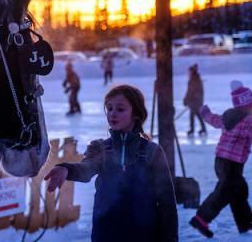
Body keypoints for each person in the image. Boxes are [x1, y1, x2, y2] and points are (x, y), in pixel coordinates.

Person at [45, 84, 178, 242]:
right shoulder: (100, 148)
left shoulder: (152, 152)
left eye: (120, 109)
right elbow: (86, 168)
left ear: (136, 113)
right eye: (109, 108)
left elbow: (167, 203)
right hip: (106, 234)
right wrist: (66, 169)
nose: (112, 114)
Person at [189, 80, 252, 238]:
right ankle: (201, 218)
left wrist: (205, 113)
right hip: (231, 164)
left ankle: (246, 223)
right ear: (247, 105)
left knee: (239, 190)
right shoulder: (248, 120)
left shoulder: (228, 116)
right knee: (225, 192)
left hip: (221, 161)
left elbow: (214, 120)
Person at [183, 64, 207, 137]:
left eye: (189, 72)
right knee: (196, 115)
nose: (188, 73)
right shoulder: (195, 79)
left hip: (195, 101)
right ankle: (202, 129)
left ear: (192, 72)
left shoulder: (194, 80)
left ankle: (193, 130)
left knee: (194, 115)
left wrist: (187, 99)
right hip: (196, 101)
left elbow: (191, 91)